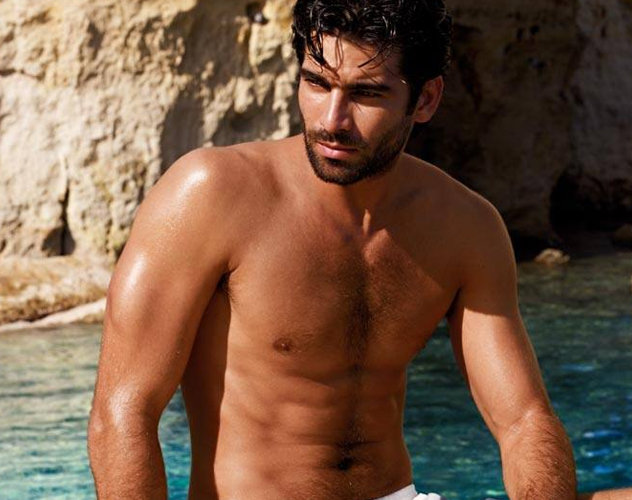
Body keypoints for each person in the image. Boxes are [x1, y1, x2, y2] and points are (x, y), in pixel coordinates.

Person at [87, 1, 631, 499]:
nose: (332, 120)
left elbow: (523, 420)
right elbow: (123, 412)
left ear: (426, 100)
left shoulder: (464, 225)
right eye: (316, 83)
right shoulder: (211, 194)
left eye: (366, 94)